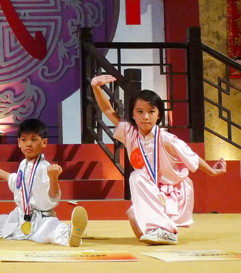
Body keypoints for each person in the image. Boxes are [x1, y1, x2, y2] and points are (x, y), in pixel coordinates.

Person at [91, 75, 227, 245]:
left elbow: (192, 156)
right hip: (151, 191)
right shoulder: (130, 133)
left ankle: (167, 231)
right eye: (140, 112)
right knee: (134, 217)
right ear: (132, 114)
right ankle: (159, 230)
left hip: (171, 192)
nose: (145, 116)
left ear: (158, 115)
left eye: (151, 111)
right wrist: (96, 87)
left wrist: (213, 171)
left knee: (136, 176)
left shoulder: (166, 138)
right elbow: (107, 110)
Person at [0, 118, 88, 247]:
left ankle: (71, 232)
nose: (28, 144)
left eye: (34, 140)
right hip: (19, 217)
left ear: (44, 143)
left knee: (52, 231)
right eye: (24, 139)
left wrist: (54, 178)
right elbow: (16, 181)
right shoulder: (23, 164)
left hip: (42, 219)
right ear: (19, 143)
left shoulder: (45, 167)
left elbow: (53, 196)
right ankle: (63, 232)